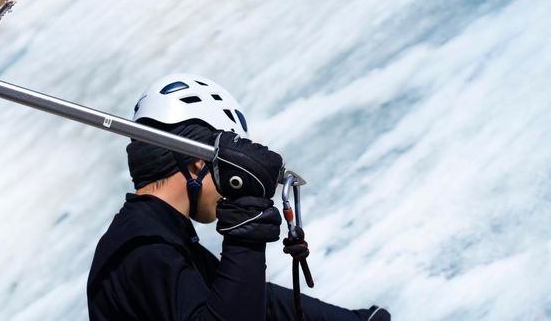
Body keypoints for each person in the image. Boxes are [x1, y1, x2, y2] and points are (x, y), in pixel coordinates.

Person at [87, 74, 390, 320]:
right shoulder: (145, 248)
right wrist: (246, 236)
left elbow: (255, 299)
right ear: (198, 163)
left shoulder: (157, 232)